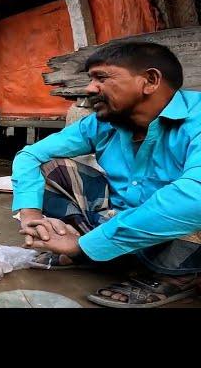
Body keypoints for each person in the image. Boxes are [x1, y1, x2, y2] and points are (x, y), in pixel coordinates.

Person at [12, 41, 201, 308]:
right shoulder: (102, 123)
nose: (90, 88)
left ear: (150, 80)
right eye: (90, 79)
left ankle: (179, 276)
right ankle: (104, 251)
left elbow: (195, 199)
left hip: (180, 234)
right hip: (120, 222)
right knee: (54, 168)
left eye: (102, 77)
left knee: (190, 208)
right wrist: (31, 217)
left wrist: (84, 245)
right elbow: (30, 155)